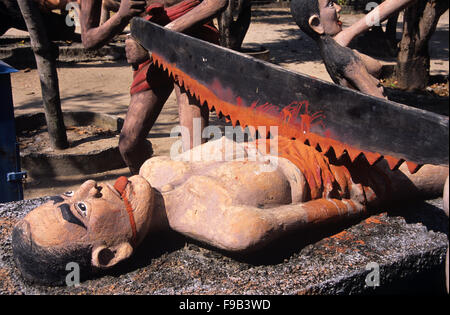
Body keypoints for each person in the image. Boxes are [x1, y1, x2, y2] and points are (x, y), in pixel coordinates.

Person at [12, 135, 448, 285]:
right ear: (111, 253)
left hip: (308, 130)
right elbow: (345, 205)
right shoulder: (232, 228)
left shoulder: (157, 166)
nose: (89, 185)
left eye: (69, 195)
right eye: (81, 208)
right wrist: (379, 184)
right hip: (359, 171)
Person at [80, 0, 228, 174]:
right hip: (147, 49)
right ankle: (151, 189)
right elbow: (89, 39)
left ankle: (194, 192)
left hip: (190, 42)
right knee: (129, 146)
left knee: (193, 150)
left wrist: (157, 38)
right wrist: (120, 17)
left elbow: (216, 2)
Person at [290, 0, 415, 99]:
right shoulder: (342, 57)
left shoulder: (335, 52)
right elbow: (379, 101)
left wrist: (349, 34)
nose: (339, 8)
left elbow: (375, 67)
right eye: (331, 4)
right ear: (316, 24)